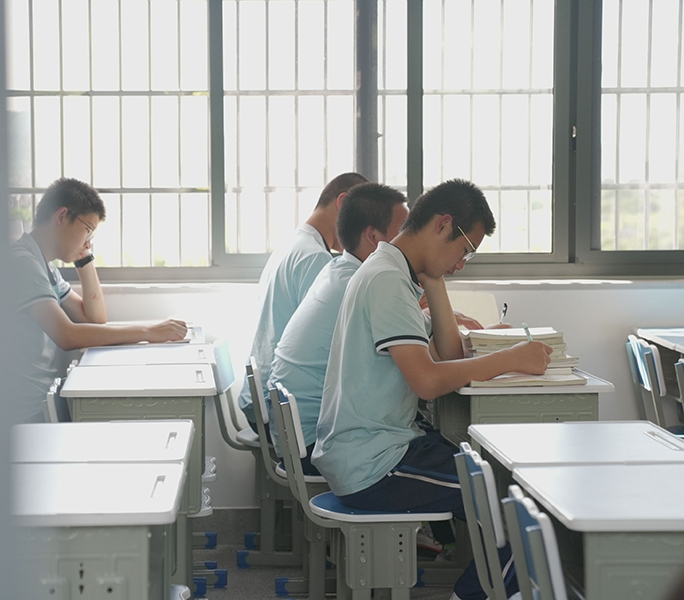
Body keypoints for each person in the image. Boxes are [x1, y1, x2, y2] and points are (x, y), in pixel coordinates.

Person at [311, 179, 553, 600]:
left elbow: (448, 353)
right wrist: (512, 358)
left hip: (378, 447)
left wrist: (435, 280)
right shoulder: (386, 279)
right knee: (522, 507)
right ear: (443, 225)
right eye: (465, 250)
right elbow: (427, 381)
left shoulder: (396, 273)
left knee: (502, 482)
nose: (462, 264)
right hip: (374, 465)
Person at [10, 178, 187, 423]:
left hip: (42, 399)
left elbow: (94, 319)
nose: (88, 242)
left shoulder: (46, 268)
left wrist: (84, 258)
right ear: (62, 216)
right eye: (87, 229)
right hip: (21, 410)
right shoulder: (22, 262)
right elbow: (67, 335)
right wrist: (148, 331)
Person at [265, 182, 408, 470]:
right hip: (316, 442)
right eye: (404, 232)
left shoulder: (337, 268)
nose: (409, 240)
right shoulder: (357, 281)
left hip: (297, 432)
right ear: (373, 236)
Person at [237, 172, 369, 431]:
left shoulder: (294, 243)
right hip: (279, 408)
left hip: (263, 399)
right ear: (343, 204)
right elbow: (332, 343)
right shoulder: (315, 258)